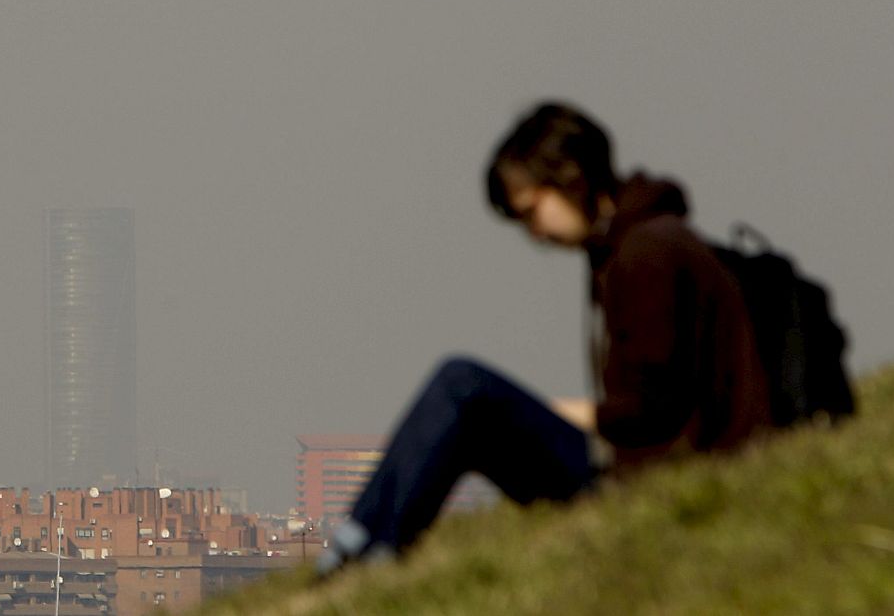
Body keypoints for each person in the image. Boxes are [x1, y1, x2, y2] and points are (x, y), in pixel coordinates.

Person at [316, 102, 771, 574]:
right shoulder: (631, 245)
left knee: (462, 385)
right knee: (467, 402)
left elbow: (650, 412)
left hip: (651, 477)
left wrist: (564, 413)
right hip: (641, 465)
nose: (534, 233)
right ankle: (367, 546)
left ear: (572, 176)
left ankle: (361, 549)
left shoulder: (645, 255)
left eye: (533, 211)